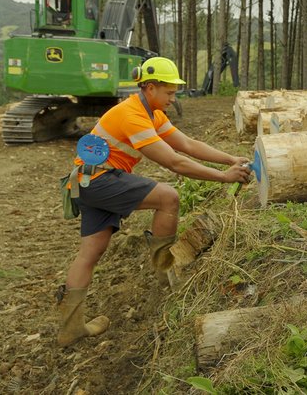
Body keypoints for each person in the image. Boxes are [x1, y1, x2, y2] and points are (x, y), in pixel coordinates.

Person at [56, 56, 251, 347]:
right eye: (169, 92)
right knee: (168, 197)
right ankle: (165, 272)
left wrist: (230, 159)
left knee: (91, 252)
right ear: (149, 88)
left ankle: (70, 329)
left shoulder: (154, 113)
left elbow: (187, 145)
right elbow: (176, 162)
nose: (173, 98)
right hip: (99, 180)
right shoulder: (132, 114)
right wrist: (225, 177)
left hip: (88, 181)